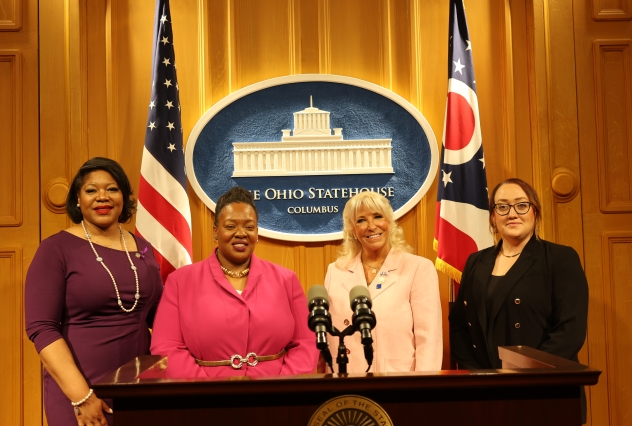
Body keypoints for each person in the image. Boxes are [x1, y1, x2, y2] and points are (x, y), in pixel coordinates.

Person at [25, 157, 163, 426]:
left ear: (123, 197)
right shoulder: (55, 249)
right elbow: (42, 328)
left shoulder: (143, 248)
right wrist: (83, 397)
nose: (102, 196)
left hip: (140, 391)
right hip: (81, 392)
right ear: (78, 200)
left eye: (112, 189)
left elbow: (159, 315)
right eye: (91, 190)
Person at [449, 178, 588, 420]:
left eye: (521, 205)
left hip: (545, 391)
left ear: (535, 212)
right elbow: (460, 326)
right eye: (502, 207)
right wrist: (479, 377)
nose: (512, 213)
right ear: (493, 217)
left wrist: (525, 374)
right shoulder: (476, 262)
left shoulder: (560, 258)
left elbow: (570, 330)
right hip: (486, 393)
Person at [150, 186, 317, 377]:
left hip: (275, 390)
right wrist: (204, 389)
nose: (241, 233)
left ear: (257, 233)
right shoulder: (180, 282)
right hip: (204, 392)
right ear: (215, 232)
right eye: (230, 226)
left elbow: (306, 342)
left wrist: (282, 385)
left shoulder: (287, 280)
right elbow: (166, 346)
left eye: (249, 227)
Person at [323, 191, 442, 372]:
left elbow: (429, 338)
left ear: (389, 222)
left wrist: (424, 384)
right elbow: (325, 335)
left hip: (396, 379)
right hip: (345, 377)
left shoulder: (418, 268)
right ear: (352, 230)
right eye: (361, 220)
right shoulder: (335, 271)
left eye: (378, 217)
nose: (371, 226)